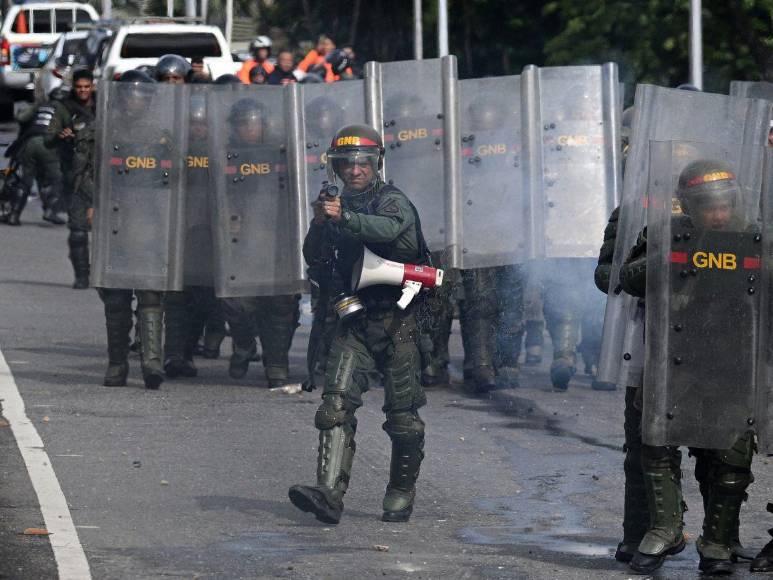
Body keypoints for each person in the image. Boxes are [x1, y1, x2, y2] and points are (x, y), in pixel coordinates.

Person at [620, 159, 756, 575]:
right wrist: (672, 255)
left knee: (730, 458)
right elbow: (626, 277)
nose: (717, 213)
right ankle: (665, 528)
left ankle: (717, 542)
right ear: (687, 205)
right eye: (707, 206)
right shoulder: (666, 234)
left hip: (733, 362)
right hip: (674, 359)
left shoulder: (752, 237)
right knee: (657, 443)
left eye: (723, 204)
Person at [288, 124, 429, 525]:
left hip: (399, 319)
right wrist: (320, 222)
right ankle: (329, 494)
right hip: (354, 320)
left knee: (403, 419)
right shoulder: (335, 205)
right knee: (334, 407)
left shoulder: (393, 201)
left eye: (363, 162)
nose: (354, 170)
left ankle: (401, 489)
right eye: (346, 163)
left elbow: (386, 230)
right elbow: (314, 258)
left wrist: (344, 217)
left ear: (377, 163)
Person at [93, 70, 168, 389]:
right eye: (131, 97)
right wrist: (88, 205)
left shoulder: (162, 134)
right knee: (115, 298)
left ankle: (152, 362)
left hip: (151, 221)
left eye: (141, 98)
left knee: (151, 293)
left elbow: (174, 177)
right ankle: (117, 363)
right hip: (115, 220)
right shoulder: (106, 129)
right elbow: (88, 169)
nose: (135, 103)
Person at [218, 98, 300, 388]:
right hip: (241, 239)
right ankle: (243, 345)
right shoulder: (225, 153)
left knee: (280, 304)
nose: (248, 129)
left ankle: (276, 364)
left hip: (278, 237)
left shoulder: (282, 152)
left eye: (253, 123)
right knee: (236, 302)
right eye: (242, 124)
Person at [46, 69, 97, 289]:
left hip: (105, 176)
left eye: (87, 87)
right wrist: (61, 135)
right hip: (76, 176)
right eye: (79, 87)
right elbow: (49, 137)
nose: (83, 91)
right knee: (78, 231)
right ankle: (82, 275)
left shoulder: (104, 107)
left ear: (93, 86)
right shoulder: (65, 109)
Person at [3, 93, 67, 227]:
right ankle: (50, 210)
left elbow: (21, 118)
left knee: (24, 182)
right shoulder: (65, 109)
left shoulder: (40, 105)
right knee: (57, 179)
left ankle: (14, 215)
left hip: (30, 143)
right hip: (49, 146)